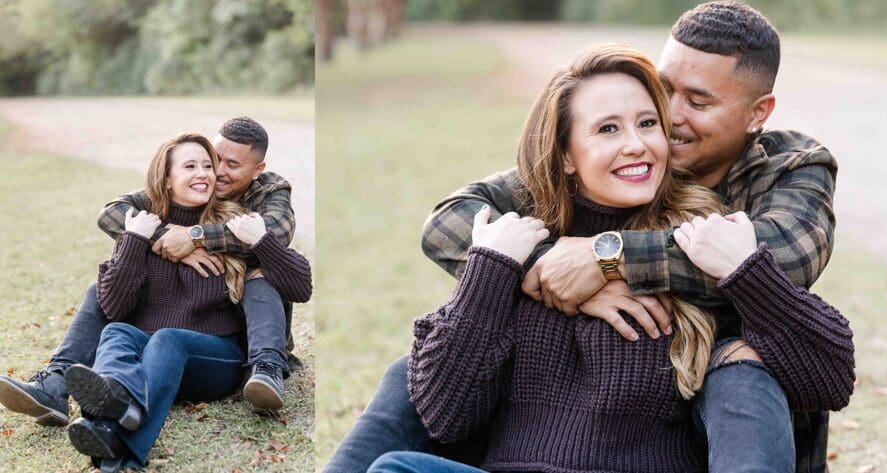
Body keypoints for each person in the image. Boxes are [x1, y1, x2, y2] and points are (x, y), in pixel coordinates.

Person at [330, 2, 843, 472]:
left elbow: (784, 259)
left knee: (741, 365)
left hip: (699, 392)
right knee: (414, 373)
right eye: (664, 91)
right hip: (551, 415)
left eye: (698, 102)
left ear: (758, 113)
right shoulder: (587, 175)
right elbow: (450, 220)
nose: (670, 118)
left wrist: (608, 258)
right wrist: (544, 262)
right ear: (569, 157)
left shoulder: (788, 167)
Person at [0, 117, 300, 420]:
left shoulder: (267, 191)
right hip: (173, 321)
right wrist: (164, 238)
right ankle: (55, 382)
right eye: (214, 158)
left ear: (256, 170)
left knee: (259, 278)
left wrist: (196, 238)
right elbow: (111, 214)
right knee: (102, 291)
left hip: (232, 326)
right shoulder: (183, 186)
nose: (216, 171)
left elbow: (274, 235)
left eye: (231, 165)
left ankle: (266, 365)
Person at [61, 133, 312, 472]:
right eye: (191, 166)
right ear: (166, 180)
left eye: (207, 166)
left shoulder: (230, 223)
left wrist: (242, 241)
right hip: (157, 359)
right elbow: (115, 308)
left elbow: (300, 282)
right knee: (118, 331)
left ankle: (124, 451)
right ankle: (116, 409)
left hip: (216, 357)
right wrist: (139, 240)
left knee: (168, 338)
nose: (207, 174)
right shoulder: (144, 225)